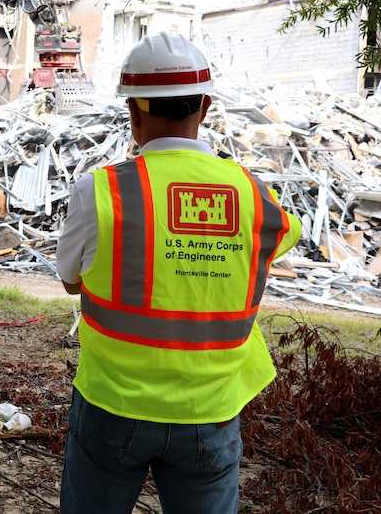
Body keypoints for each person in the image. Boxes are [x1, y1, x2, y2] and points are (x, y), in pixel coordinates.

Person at [56, 31, 301, 514]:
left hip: (113, 404)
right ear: (205, 107)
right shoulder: (254, 196)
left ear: (133, 111)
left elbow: (70, 280)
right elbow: (283, 235)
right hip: (209, 412)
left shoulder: (101, 192)